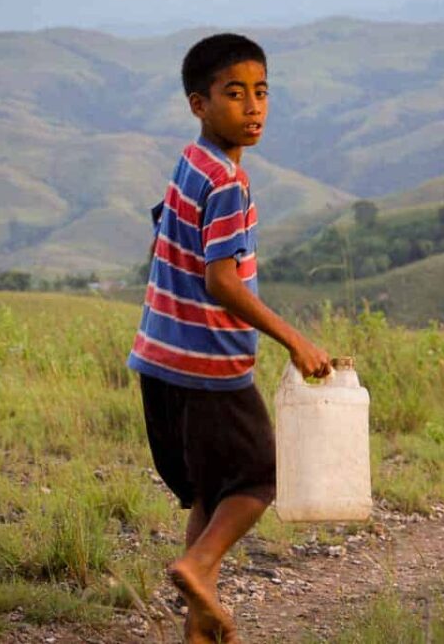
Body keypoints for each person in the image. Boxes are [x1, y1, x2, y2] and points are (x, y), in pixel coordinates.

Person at [126, 33, 331, 643]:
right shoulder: (230, 186)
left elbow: (167, 239)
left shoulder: (190, 164)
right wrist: (295, 338)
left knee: (209, 495)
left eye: (261, 93)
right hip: (211, 367)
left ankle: (198, 627)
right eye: (234, 93)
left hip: (159, 360)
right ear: (199, 103)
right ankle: (198, 565)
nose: (253, 107)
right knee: (261, 478)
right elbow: (222, 281)